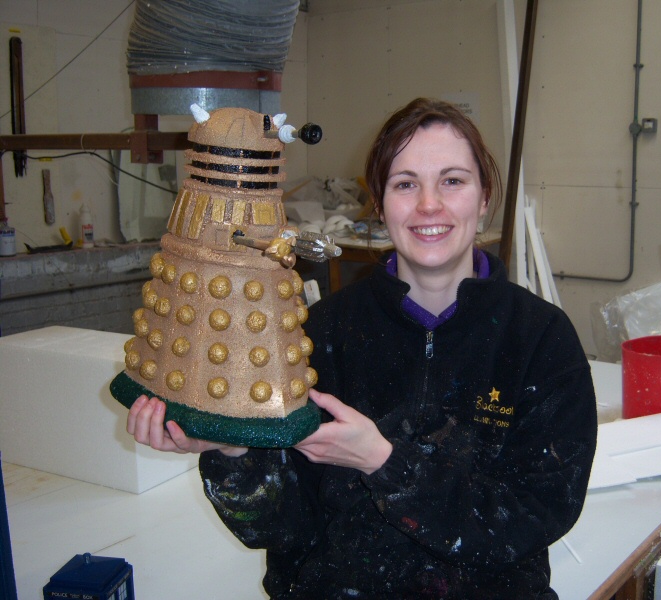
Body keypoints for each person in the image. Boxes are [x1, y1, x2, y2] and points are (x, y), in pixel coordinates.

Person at [127, 97, 597, 599]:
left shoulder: (540, 339)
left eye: (453, 180)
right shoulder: (320, 332)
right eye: (405, 183)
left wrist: (384, 461)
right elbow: (279, 530)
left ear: (484, 199)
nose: (429, 204)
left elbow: (538, 513)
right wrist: (232, 447)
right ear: (379, 200)